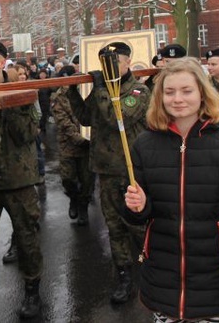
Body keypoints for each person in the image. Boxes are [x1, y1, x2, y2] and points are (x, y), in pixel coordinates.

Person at [122, 57, 219, 322]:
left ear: (202, 92)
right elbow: (136, 214)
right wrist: (136, 205)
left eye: (186, 91)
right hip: (163, 278)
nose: (177, 99)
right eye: (170, 92)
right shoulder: (144, 145)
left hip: (213, 278)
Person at [66, 41, 150, 304]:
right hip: (105, 170)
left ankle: (151, 268)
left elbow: (117, 118)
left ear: (127, 63)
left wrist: (101, 87)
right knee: (114, 227)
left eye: (114, 62)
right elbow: (86, 118)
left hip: (131, 171)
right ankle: (124, 275)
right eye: (104, 63)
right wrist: (72, 91)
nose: (109, 68)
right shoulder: (103, 89)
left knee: (137, 225)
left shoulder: (138, 90)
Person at [0, 39, 44, 319]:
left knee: (27, 241)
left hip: (19, 181)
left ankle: (32, 291)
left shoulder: (23, 92)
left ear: (3, 63)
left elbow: (27, 134)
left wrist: (8, 102)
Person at [51, 65, 93, 225]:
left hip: (87, 145)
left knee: (87, 180)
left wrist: (89, 137)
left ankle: (83, 206)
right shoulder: (58, 97)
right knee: (68, 178)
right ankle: (73, 198)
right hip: (68, 145)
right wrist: (78, 138)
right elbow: (63, 122)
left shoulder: (84, 93)